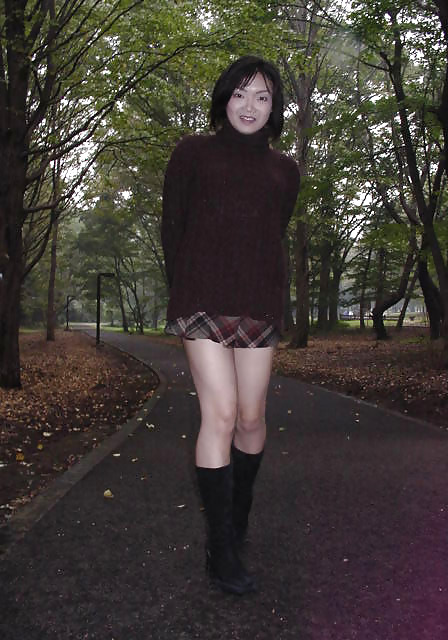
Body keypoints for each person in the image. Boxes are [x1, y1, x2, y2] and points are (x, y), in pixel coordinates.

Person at [161, 55, 300, 595]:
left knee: (250, 417)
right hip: (201, 300)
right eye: (240, 94)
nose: (249, 106)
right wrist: (182, 293)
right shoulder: (192, 153)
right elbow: (173, 227)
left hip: (258, 304)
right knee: (218, 414)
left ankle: (237, 519)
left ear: (274, 108)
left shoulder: (285, 171)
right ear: (224, 99)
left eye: (262, 97)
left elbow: (271, 234)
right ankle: (220, 549)